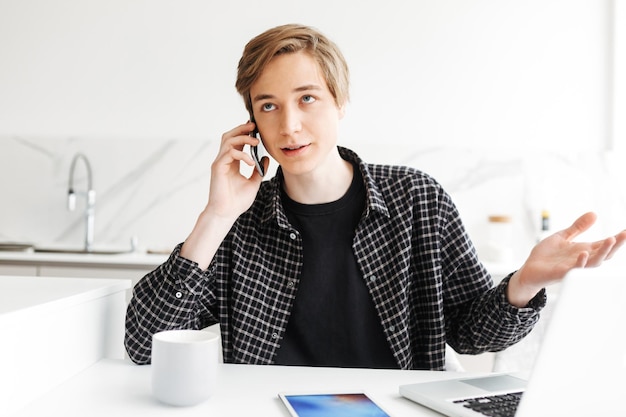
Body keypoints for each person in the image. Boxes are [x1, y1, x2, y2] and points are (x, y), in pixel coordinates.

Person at [124, 24, 626, 370]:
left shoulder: (416, 199)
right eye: (269, 106)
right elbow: (144, 345)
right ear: (251, 122)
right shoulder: (242, 221)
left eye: (307, 99)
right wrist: (215, 216)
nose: (290, 125)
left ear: (340, 101)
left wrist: (525, 282)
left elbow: (472, 336)